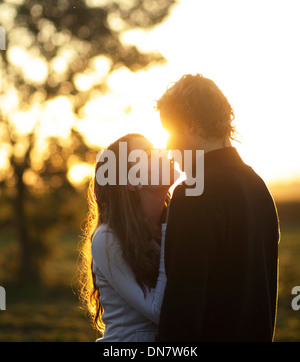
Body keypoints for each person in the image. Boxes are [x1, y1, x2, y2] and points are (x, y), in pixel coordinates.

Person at [155, 74, 280, 342]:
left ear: (189, 126)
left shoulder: (193, 195)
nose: (168, 147)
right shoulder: (259, 188)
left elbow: (182, 312)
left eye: (169, 131)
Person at [78, 133, 173, 342]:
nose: (161, 154)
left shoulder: (172, 223)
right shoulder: (107, 239)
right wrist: (169, 233)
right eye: (147, 155)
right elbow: (159, 313)